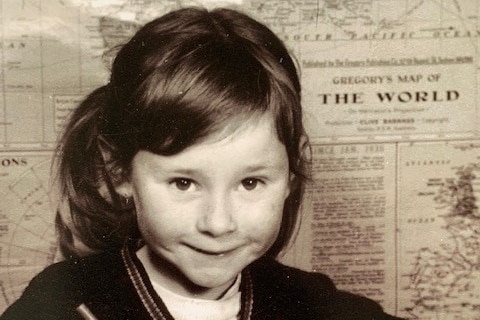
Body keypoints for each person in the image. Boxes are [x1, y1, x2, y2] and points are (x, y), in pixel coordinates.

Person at [1, 7, 403, 320]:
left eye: (250, 183)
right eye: (183, 183)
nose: (217, 223)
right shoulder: (60, 302)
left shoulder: (318, 306)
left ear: (291, 175)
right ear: (121, 171)